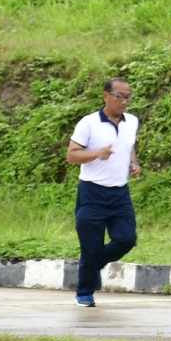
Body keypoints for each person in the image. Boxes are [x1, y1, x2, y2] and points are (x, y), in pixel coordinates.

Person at [65, 78, 142, 308]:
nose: (124, 101)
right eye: (119, 96)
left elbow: (129, 146)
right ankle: (85, 293)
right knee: (91, 245)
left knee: (127, 239)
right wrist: (96, 154)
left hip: (120, 193)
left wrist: (133, 162)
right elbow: (71, 155)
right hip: (92, 193)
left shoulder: (132, 122)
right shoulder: (88, 123)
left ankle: (92, 264)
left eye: (127, 97)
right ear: (105, 96)